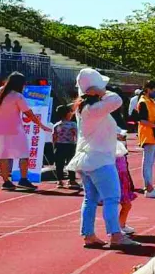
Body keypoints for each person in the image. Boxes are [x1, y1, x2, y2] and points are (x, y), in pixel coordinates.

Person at [72, 68, 137, 248]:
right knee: (111, 198)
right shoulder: (95, 108)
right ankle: (115, 234)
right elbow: (116, 99)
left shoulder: (84, 108)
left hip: (86, 159)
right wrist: (100, 90)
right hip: (99, 160)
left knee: (90, 199)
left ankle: (89, 234)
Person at [0, 71, 52, 191]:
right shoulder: (17, 96)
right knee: (23, 154)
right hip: (15, 129)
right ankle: (23, 179)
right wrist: (41, 125)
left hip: (0, 130)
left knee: (3, 156)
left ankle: (6, 181)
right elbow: (28, 113)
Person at [134, 80, 155, 197]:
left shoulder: (151, 102)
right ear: (148, 89)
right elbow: (143, 121)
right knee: (148, 162)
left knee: (151, 162)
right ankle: (148, 188)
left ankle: (149, 187)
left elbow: (153, 118)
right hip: (148, 134)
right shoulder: (143, 102)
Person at [113, 134, 138, 236]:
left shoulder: (119, 149)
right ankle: (119, 226)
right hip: (117, 178)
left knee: (126, 205)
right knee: (125, 204)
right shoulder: (111, 150)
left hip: (123, 178)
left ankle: (121, 225)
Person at [51, 104, 79, 189]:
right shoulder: (73, 124)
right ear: (67, 114)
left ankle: (59, 181)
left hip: (59, 146)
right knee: (71, 163)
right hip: (70, 145)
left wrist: (54, 147)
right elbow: (76, 135)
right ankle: (72, 180)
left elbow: (54, 137)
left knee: (59, 164)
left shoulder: (56, 125)